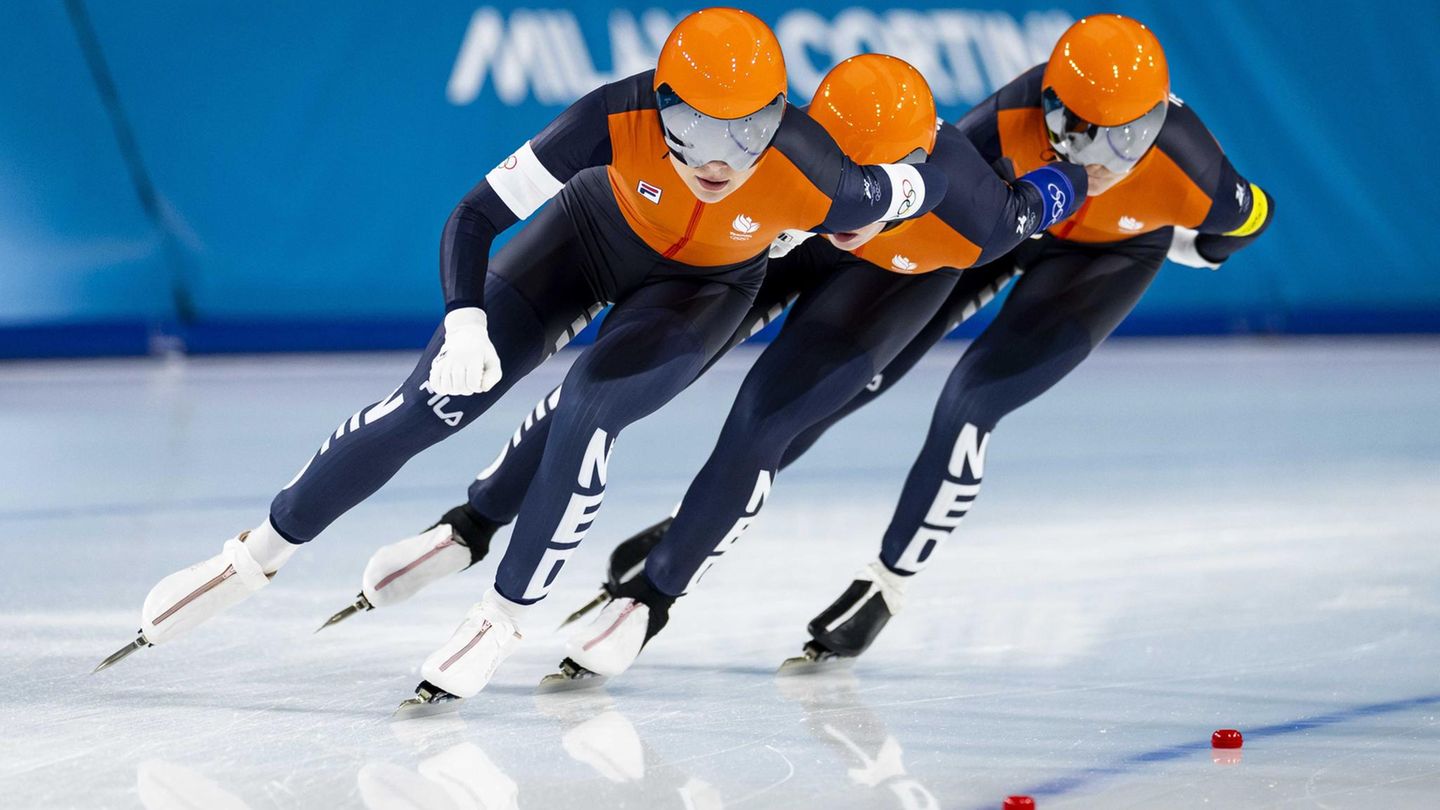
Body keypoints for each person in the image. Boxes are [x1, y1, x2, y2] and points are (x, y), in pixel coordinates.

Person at [97, 8, 954, 708]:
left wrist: (911, 200)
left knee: (587, 414)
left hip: (698, 295)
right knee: (431, 401)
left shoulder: (816, 167)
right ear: (660, 105)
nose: (725, 157)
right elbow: (474, 215)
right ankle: (253, 555)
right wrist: (465, 318)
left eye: (754, 127)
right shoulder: (608, 116)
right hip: (583, 240)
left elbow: (919, 184)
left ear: (781, 116)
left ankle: (501, 618)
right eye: (697, 126)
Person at [321, 52, 1089, 688]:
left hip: (892, 289)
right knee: (604, 387)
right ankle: (476, 521)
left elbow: (1052, 194)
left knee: (765, 422)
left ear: (915, 171)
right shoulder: (792, 163)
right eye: (843, 174)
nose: (853, 211)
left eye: (872, 190)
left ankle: (654, 597)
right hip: (781, 246)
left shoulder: (980, 216)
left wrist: (1084, 176)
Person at [563, 13, 1276, 674]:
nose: (1108, 158)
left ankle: (887, 583)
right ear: (1051, 109)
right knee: (834, 394)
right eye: (1084, 132)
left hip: (1103, 258)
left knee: (973, 398)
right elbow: (906, 192)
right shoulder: (1003, 127)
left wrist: (1198, 246)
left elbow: (1243, 223)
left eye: (1134, 133)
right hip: (988, 235)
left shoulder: (1190, 162)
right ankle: (706, 519)